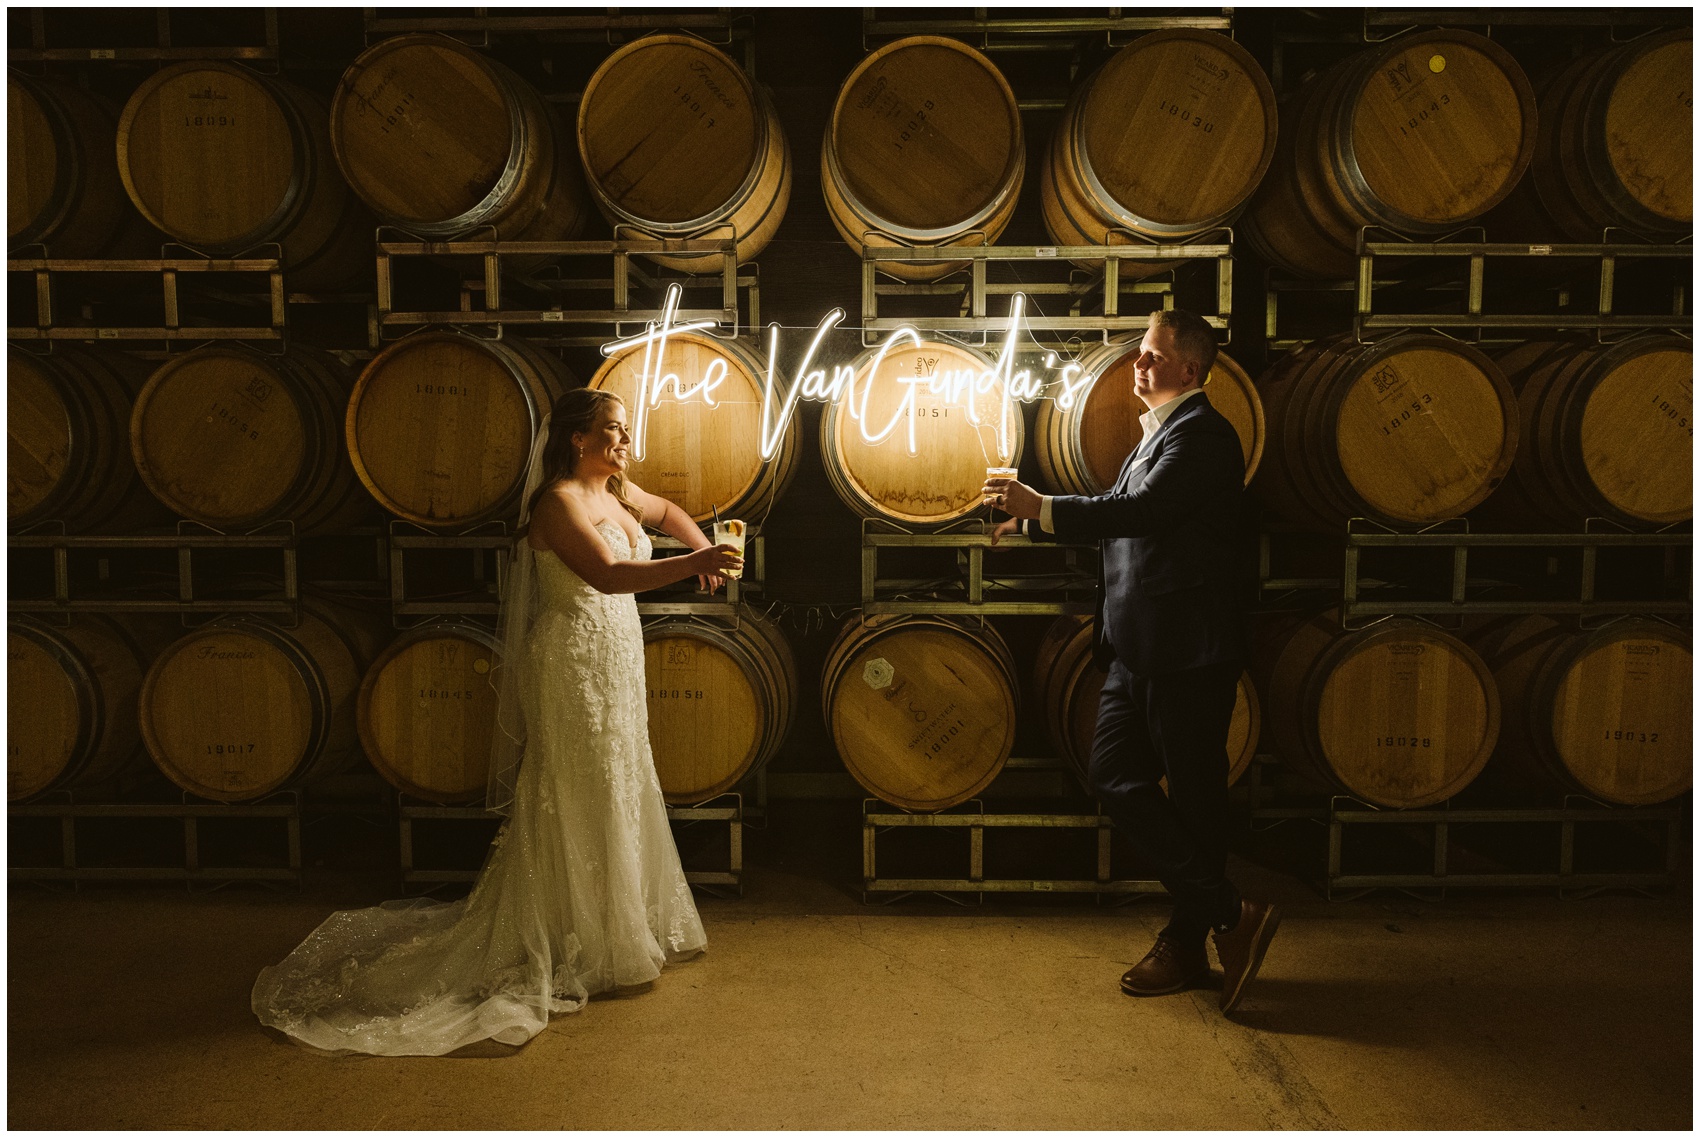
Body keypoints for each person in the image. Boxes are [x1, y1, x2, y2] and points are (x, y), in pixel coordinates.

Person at [252, 389, 744, 1055]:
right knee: (577, 785)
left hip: (616, 657)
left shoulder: (620, 494)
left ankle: (609, 927)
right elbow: (605, 575)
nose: (626, 441)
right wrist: (695, 566)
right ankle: (570, 936)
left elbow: (670, 511)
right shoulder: (559, 503)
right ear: (576, 438)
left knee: (619, 781)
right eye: (613, 431)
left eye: (626, 431)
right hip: (572, 657)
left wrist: (703, 544)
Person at [983, 309, 1279, 1015]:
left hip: (1187, 651)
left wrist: (1043, 505)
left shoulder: (1204, 437)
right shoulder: (1156, 436)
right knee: (1115, 776)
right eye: (1139, 354)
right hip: (1141, 647)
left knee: (1198, 802)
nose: (1138, 365)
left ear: (1188, 368)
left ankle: (1190, 936)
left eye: (1151, 355)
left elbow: (1140, 513)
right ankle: (1229, 916)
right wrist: (1025, 522)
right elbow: (1119, 508)